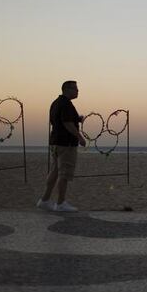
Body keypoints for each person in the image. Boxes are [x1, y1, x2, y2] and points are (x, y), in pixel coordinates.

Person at [37, 80, 86, 212]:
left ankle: (44, 200)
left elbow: (60, 120)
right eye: (75, 89)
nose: (77, 91)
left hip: (55, 142)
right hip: (66, 144)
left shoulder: (56, 103)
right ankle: (60, 203)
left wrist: (78, 119)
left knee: (55, 172)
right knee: (64, 174)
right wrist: (80, 137)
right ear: (67, 89)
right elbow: (67, 123)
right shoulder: (66, 104)